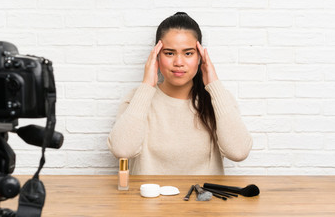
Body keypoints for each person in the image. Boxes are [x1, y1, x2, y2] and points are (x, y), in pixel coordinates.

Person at [107, 12, 252, 175]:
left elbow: (239, 152)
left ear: (200, 57)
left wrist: (213, 84)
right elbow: (122, 150)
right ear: (156, 56)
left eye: (188, 53)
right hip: (149, 200)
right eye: (169, 53)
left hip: (205, 199)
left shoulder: (219, 99)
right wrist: (147, 85)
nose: (178, 63)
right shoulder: (138, 99)